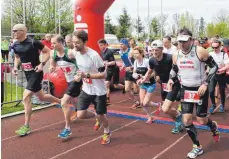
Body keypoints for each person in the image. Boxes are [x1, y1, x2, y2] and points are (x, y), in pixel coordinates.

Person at [168, 28, 220, 158]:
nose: (181, 44)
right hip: (185, 89)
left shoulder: (199, 51)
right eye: (179, 41)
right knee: (186, 120)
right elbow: (174, 68)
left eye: (184, 41)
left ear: (191, 40)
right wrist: (170, 78)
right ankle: (197, 146)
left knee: (201, 120)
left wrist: (205, 84)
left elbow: (214, 67)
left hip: (200, 89)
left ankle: (212, 125)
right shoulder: (176, 54)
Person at [12, 24, 61, 136]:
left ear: (23, 31)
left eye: (16, 30)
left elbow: (48, 51)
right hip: (27, 73)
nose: (13, 32)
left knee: (26, 96)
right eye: (13, 30)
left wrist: (42, 64)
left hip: (36, 72)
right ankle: (61, 101)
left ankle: (26, 126)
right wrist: (15, 67)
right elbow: (17, 57)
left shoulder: (33, 42)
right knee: (41, 96)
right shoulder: (15, 45)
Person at [72, 30, 111, 145]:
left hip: (99, 90)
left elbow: (104, 74)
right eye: (74, 42)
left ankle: (107, 131)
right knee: (80, 114)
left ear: (85, 42)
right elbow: (81, 69)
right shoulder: (76, 52)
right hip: (86, 89)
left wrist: (87, 75)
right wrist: (78, 75)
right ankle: (97, 117)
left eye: (78, 42)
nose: (75, 45)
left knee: (101, 114)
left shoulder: (93, 55)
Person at [142, 40, 183, 134]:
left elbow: (177, 68)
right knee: (167, 109)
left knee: (165, 108)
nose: (154, 52)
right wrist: (143, 80)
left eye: (156, 50)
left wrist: (172, 79)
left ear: (161, 49)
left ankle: (179, 116)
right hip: (163, 85)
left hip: (174, 84)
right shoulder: (152, 60)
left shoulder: (169, 58)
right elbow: (149, 71)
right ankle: (178, 122)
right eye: (152, 50)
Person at [49, 34, 82, 139]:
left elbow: (82, 63)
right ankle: (93, 114)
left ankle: (67, 129)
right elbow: (52, 64)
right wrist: (51, 68)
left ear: (61, 43)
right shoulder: (53, 53)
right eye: (51, 43)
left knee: (64, 102)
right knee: (74, 99)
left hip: (76, 80)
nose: (52, 45)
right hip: (69, 80)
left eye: (54, 43)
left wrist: (79, 74)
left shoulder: (70, 53)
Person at [132, 46, 159, 124]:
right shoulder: (135, 62)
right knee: (142, 103)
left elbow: (153, 73)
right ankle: (150, 117)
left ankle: (158, 104)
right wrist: (135, 76)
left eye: (136, 53)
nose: (135, 55)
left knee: (145, 103)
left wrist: (145, 77)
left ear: (141, 53)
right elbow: (134, 72)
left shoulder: (147, 61)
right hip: (142, 84)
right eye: (134, 54)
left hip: (150, 84)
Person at [98, 39, 124, 105]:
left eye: (101, 45)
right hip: (109, 69)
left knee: (116, 85)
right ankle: (107, 99)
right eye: (99, 45)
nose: (100, 46)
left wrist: (108, 63)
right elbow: (105, 62)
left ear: (105, 45)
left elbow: (119, 61)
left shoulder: (112, 51)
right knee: (106, 84)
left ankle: (125, 87)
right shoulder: (102, 52)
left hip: (115, 69)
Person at [208, 39, 229, 113]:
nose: (214, 49)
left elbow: (227, 65)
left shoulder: (224, 54)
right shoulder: (210, 54)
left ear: (220, 46)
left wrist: (221, 70)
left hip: (221, 75)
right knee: (211, 91)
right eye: (213, 47)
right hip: (212, 75)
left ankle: (222, 105)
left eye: (216, 47)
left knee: (222, 91)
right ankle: (213, 104)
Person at [119, 38, 140, 109]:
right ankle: (136, 102)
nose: (120, 45)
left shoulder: (131, 52)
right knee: (127, 89)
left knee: (137, 89)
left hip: (135, 72)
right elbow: (125, 62)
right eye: (120, 44)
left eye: (122, 44)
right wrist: (123, 66)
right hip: (128, 72)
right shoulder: (120, 52)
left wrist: (130, 67)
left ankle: (143, 100)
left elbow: (137, 63)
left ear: (126, 44)